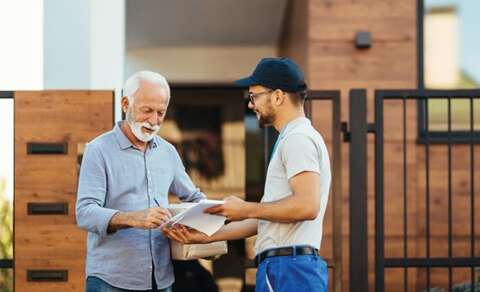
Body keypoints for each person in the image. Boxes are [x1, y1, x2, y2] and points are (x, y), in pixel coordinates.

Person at [163, 57, 331, 292]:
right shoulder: (292, 138)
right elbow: (267, 219)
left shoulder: (297, 139)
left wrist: (245, 208)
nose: (251, 105)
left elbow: (306, 206)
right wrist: (206, 236)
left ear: (278, 96)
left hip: (289, 270)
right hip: (286, 267)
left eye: (254, 96)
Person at [76, 71, 206, 292]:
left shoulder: (168, 152)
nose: (154, 121)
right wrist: (134, 218)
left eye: (161, 113)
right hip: (110, 281)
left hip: (161, 279)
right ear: (126, 104)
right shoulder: (99, 150)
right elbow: (85, 212)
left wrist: (209, 223)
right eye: (147, 111)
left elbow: (194, 198)